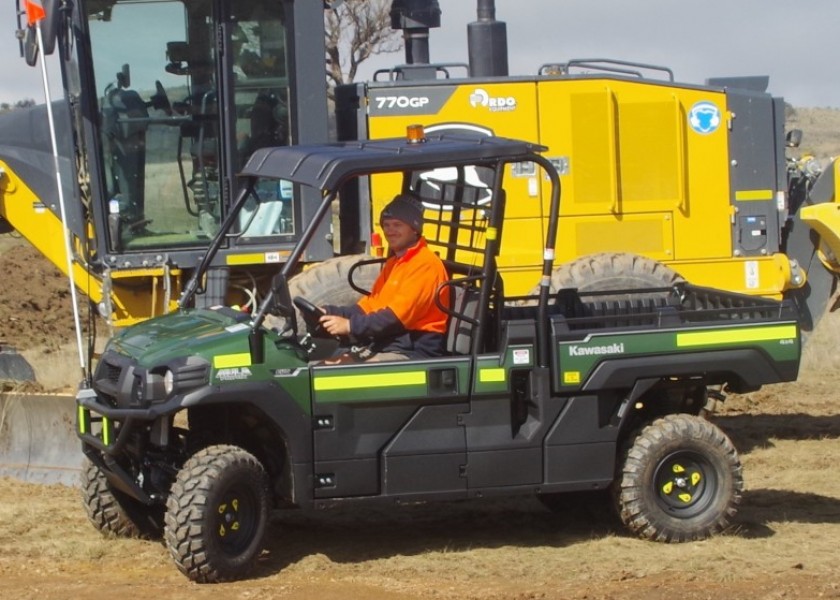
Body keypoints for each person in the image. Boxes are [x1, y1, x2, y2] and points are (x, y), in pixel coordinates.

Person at [319, 193, 450, 363]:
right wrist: (330, 312)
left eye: (397, 225)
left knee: (333, 375)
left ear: (415, 229)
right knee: (321, 362)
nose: (390, 231)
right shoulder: (396, 262)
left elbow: (396, 318)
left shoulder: (425, 265)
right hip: (390, 342)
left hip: (412, 350)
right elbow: (371, 305)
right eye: (386, 225)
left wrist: (349, 326)